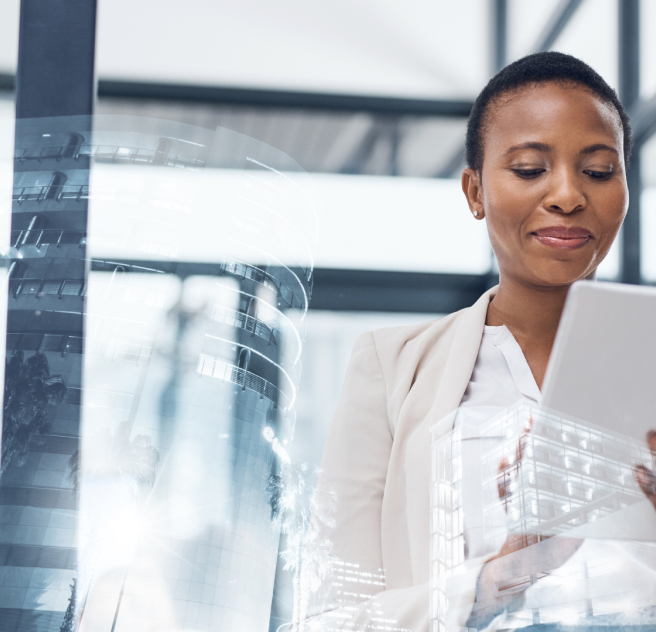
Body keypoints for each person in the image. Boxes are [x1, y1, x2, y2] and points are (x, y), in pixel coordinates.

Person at [300, 51, 656, 632]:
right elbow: (329, 618)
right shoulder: (393, 370)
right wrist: (500, 578)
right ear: (474, 191)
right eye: (528, 169)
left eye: (597, 171)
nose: (568, 195)